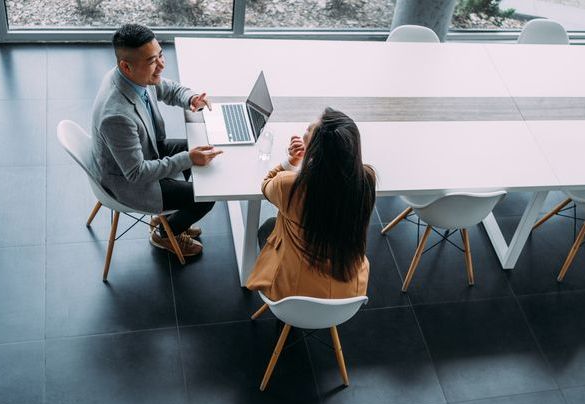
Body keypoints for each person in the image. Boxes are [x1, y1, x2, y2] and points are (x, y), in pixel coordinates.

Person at [91, 23, 221, 257]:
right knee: (207, 195)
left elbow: (167, 88)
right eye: (152, 61)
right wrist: (188, 159)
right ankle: (164, 232)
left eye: (160, 55)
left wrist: (190, 98)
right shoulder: (116, 115)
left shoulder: (131, 77)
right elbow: (137, 174)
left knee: (204, 152)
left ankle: (173, 218)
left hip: (148, 150)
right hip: (131, 183)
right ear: (126, 66)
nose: (161, 65)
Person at [246, 108, 377, 301]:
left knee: (268, 227)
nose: (304, 130)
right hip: (348, 293)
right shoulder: (365, 181)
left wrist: (291, 162)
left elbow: (266, 185)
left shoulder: (289, 186)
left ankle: (290, 322)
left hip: (292, 294)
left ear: (315, 148)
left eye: (308, 129)